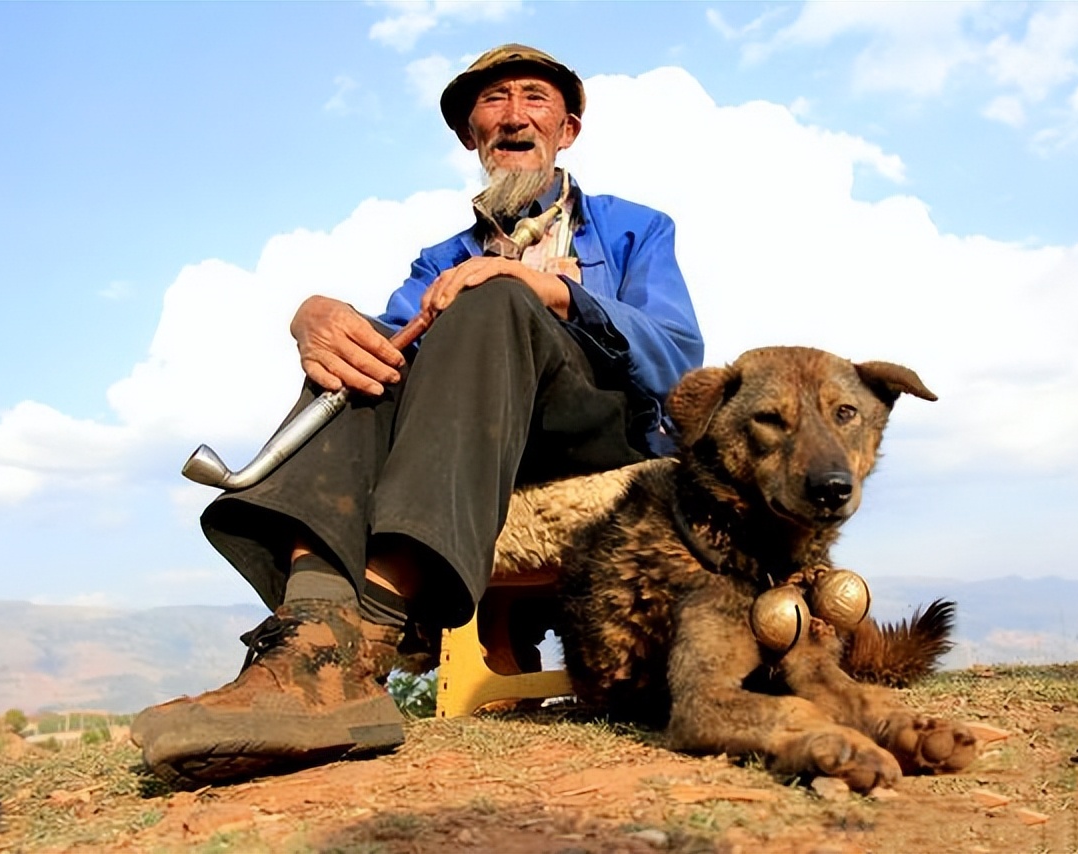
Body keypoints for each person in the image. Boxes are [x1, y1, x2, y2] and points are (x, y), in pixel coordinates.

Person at [130, 44, 703, 787]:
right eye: (492, 104)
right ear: (472, 137)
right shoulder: (441, 256)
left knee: (493, 300)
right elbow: (393, 350)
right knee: (361, 359)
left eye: (534, 98)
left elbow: (679, 358)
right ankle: (314, 648)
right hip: (479, 442)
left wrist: (546, 292)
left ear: (568, 129)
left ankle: (361, 636)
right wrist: (316, 319)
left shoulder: (634, 229)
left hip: (601, 431)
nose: (513, 115)